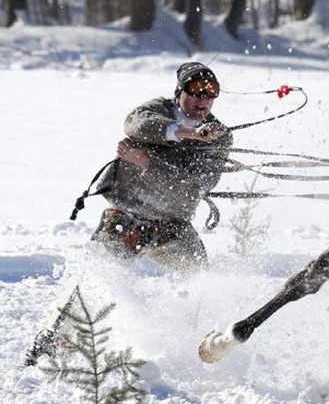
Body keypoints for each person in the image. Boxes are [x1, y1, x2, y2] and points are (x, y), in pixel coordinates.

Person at [91, 62, 232, 272]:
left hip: (171, 224)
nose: (202, 98)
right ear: (179, 92)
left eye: (211, 92)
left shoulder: (220, 137)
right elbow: (137, 124)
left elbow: (193, 190)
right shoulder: (155, 110)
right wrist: (188, 133)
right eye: (195, 90)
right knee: (102, 274)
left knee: (201, 278)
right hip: (126, 215)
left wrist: (146, 162)